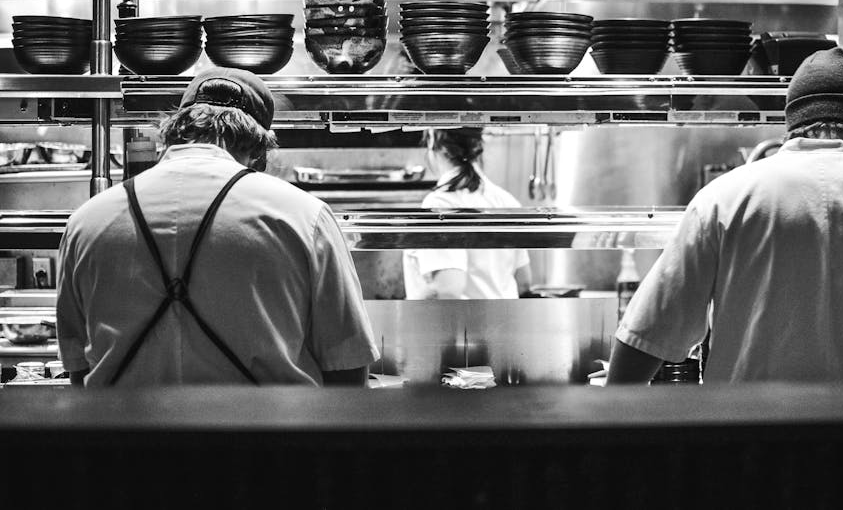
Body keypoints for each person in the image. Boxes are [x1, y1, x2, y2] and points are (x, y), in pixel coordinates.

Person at [608, 47, 843, 383]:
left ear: (792, 126)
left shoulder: (721, 200)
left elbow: (645, 337)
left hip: (753, 447)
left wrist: (612, 437)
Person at [56, 67, 378, 387]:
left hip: (123, 437)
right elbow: (347, 369)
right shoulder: (305, 217)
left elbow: (79, 373)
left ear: (175, 129)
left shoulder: (86, 223)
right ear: (259, 150)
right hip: (274, 433)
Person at [403, 128, 532, 299]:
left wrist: (400, 312)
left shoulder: (440, 204)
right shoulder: (506, 200)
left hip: (463, 324)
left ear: (433, 140)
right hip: (505, 322)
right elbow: (524, 282)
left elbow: (448, 287)